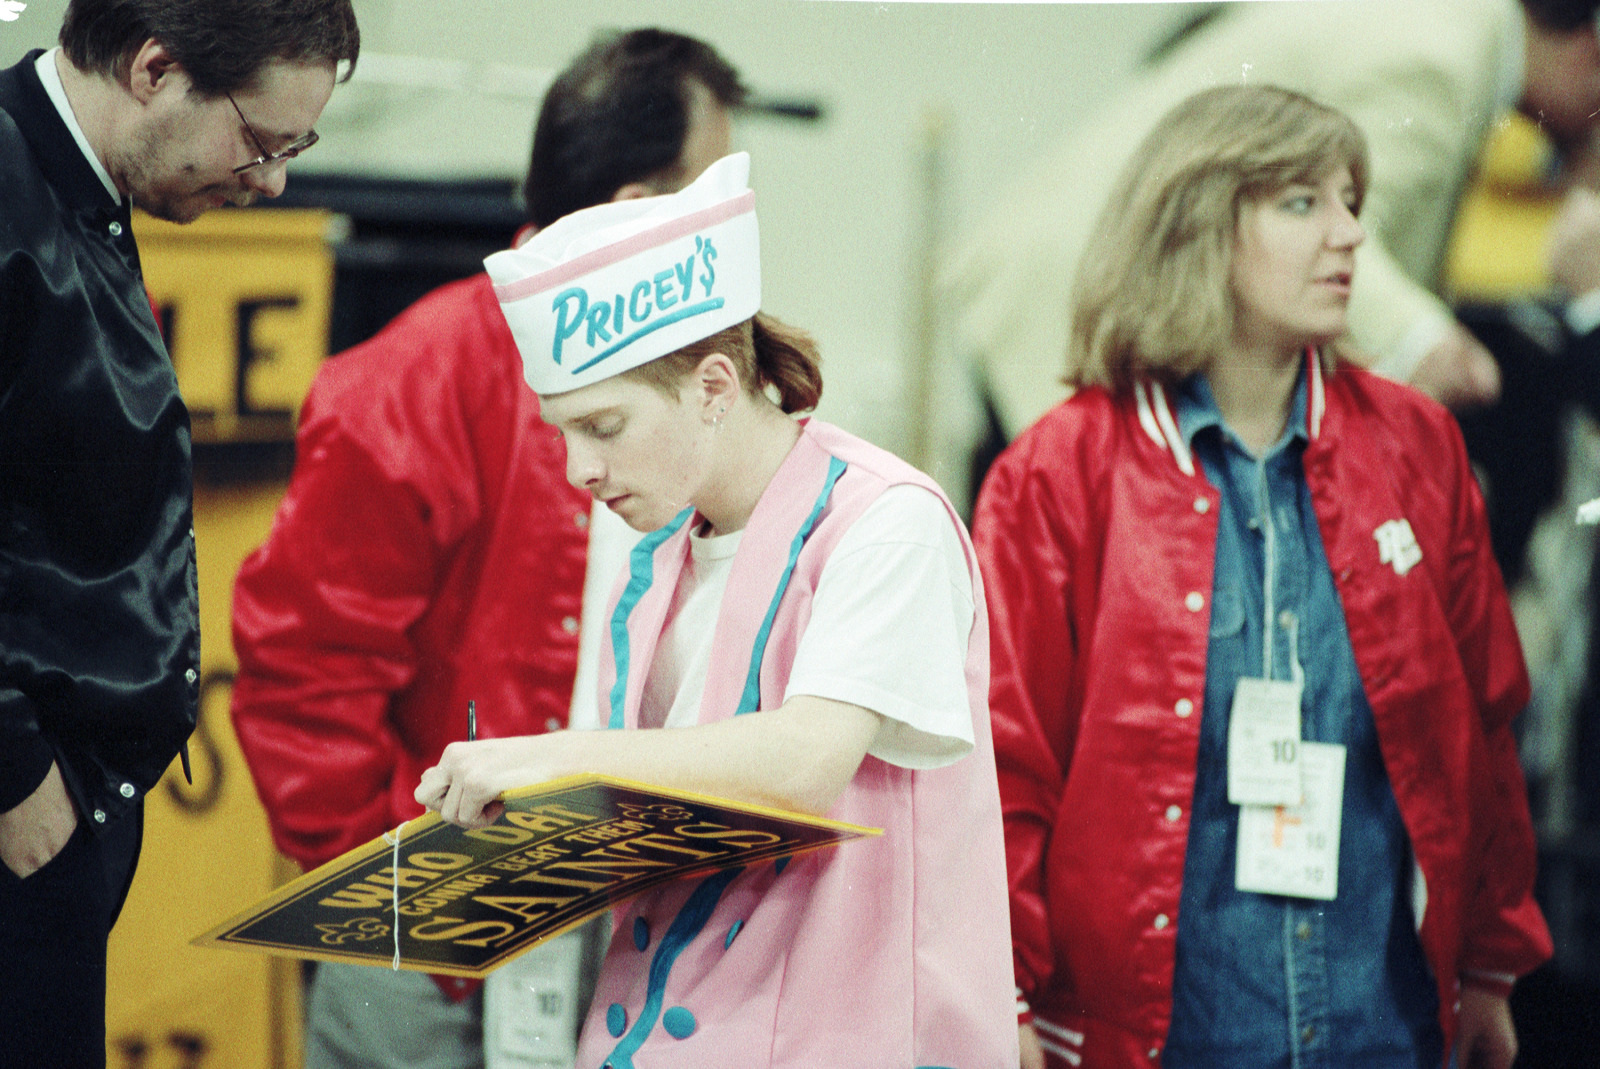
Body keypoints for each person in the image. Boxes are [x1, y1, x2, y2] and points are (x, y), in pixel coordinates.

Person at [971, 86, 1552, 1069]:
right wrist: (1006, 992)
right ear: (1196, 225)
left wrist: (1491, 964)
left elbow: (1481, 725)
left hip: (1384, 1027)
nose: (1350, 234)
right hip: (1144, 1039)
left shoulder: (1417, 449)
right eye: (1301, 203)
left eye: (1349, 199)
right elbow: (1003, 762)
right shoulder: (1058, 473)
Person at [415, 151, 1017, 1068]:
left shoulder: (886, 524)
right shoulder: (657, 556)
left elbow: (804, 762)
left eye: (603, 427)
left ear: (712, 388)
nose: (578, 469)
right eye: (563, 432)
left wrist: (545, 757)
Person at [229, 28, 745, 1069]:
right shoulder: (408, 386)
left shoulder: (710, 379)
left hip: (647, 923)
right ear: (646, 211)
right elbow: (302, 678)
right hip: (436, 951)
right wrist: (418, 900)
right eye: (715, 196)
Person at [0, 1, 358, 1065]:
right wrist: (16, 777)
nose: (272, 181)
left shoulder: (79, 196)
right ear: (156, 69)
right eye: (260, 141)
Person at [942, 0, 1600, 491]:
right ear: (1588, 51)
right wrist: (1428, 341)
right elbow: (1339, 237)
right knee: (1062, 608)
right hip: (1091, 297)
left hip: (1089, 292)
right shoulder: (1437, 61)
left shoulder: (1439, 23)